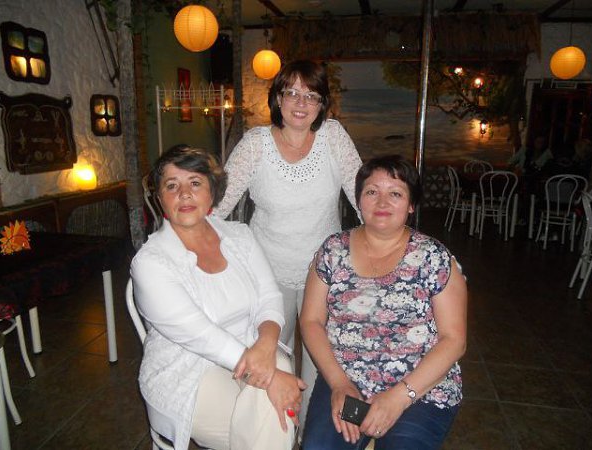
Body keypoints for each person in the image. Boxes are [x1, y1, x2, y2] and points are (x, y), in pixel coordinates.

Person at [213, 59, 362, 425]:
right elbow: (218, 204)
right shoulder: (256, 143)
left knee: (320, 362)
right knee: (276, 358)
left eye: (311, 95)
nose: (300, 102)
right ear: (277, 98)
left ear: (322, 104)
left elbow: (364, 197)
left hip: (323, 274)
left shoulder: (333, 137)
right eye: (291, 92)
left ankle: (312, 432)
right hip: (268, 273)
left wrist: (393, 247)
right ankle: (282, 431)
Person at [131, 145, 306, 450]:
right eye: (172, 186)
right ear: (160, 199)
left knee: (271, 403)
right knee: (274, 418)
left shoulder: (240, 236)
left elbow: (269, 296)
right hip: (187, 371)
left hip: (254, 348)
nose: (184, 194)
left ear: (212, 192)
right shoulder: (150, 263)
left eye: (195, 182)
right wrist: (270, 375)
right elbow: (199, 335)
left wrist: (266, 344)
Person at [300, 156, 468, 450]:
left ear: (411, 205)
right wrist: (339, 384)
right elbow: (311, 321)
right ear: (358, 200)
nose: (382, 202)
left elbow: (454, 340)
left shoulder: (434, 258)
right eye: (372, 191)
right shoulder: (332, 250)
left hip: (419, 386)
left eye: (396, 193)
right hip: (347, 376)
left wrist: (400, 397)